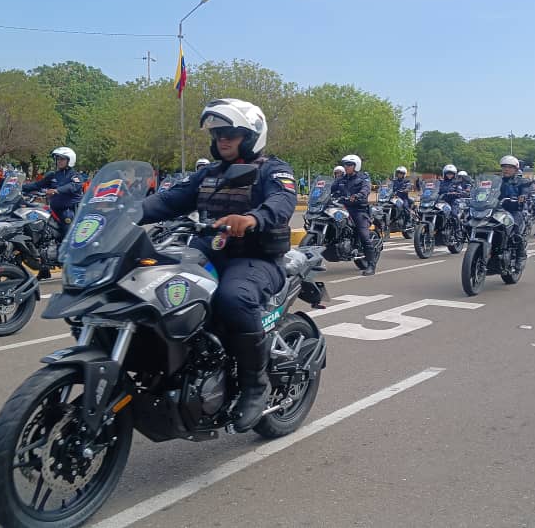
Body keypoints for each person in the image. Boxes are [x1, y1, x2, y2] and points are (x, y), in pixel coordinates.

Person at [140, 98, 296, 432]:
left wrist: (252, 218)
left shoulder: (274, 169)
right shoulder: (208, 174)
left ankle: (255, 385)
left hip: (255, 259)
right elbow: (168, 200)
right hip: (208, 252)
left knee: (232, 298)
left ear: (251, 136)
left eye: (231, 133)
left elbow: (282, 202)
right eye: (218, 133)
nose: (222, 139)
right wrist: (125, 212)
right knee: (154, 286)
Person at [22, 147, 82, 278]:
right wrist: (19, 187)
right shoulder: (52, 175)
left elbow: (73, 187)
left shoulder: (75, 176)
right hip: (53, 210)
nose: (59, 161)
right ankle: (44, 269)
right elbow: (37, 185)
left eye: (62, 159)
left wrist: (57, 190)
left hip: (69, 211)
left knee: (68, 237)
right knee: (42, 237)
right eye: (58, 159)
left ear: (69, 160)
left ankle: (71, 266)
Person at [331, 154, 377, 276]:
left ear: (356, 166)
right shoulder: (341, 178)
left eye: (349, 165)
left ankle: (371, 265)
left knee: (363, 235)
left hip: (358, 210)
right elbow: (331, 188)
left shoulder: (363, 178)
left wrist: (357, 195)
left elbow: (366, 190)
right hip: (343, 208)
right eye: (345, 164)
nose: (346, 167)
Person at [499, 155, 530, 269]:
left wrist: (523, 196)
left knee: (515, 230)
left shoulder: (521, 182)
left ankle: (520, 256)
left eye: (510, 167)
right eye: (504, 167)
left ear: (516, 169)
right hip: (497, 211)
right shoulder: (498, 181)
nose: (506, 169)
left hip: (514, 210)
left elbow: (525, 191)